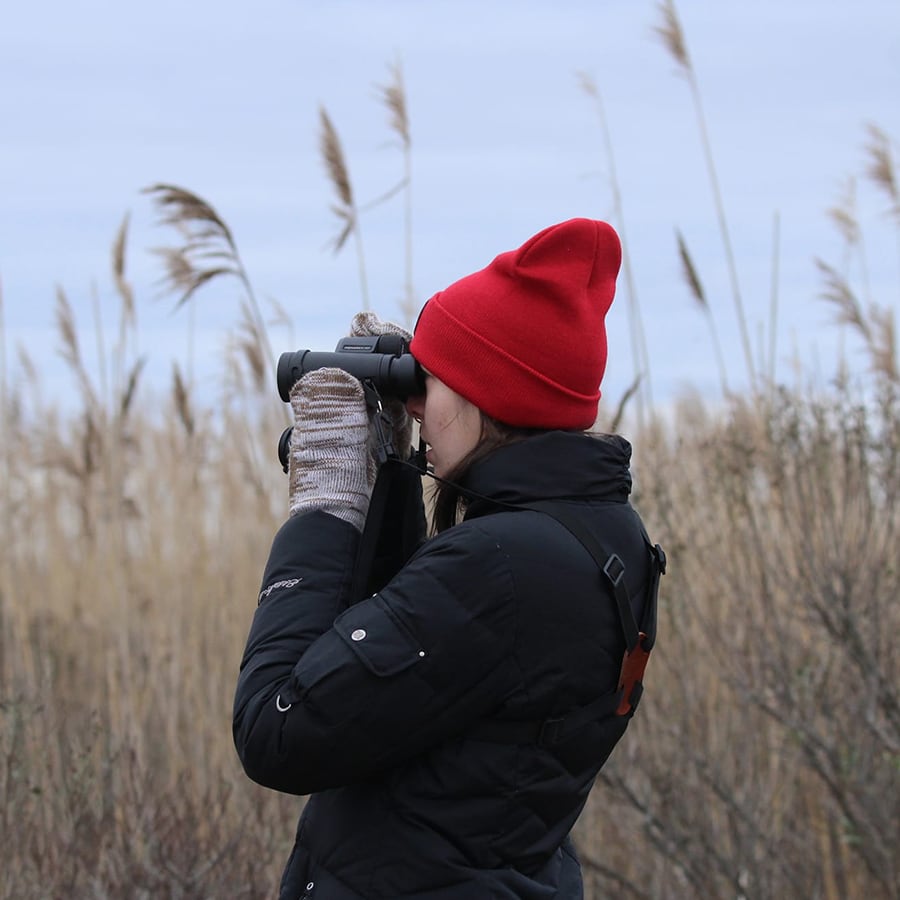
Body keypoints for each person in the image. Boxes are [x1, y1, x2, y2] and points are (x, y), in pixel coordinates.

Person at [233, 218, 665, 900]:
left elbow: (276, 728)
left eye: (428, 385)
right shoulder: (603, 540)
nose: (418, 403)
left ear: (485, 391)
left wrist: (325, 503)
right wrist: (390, 468)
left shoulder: (498, 566)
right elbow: (409, 665)